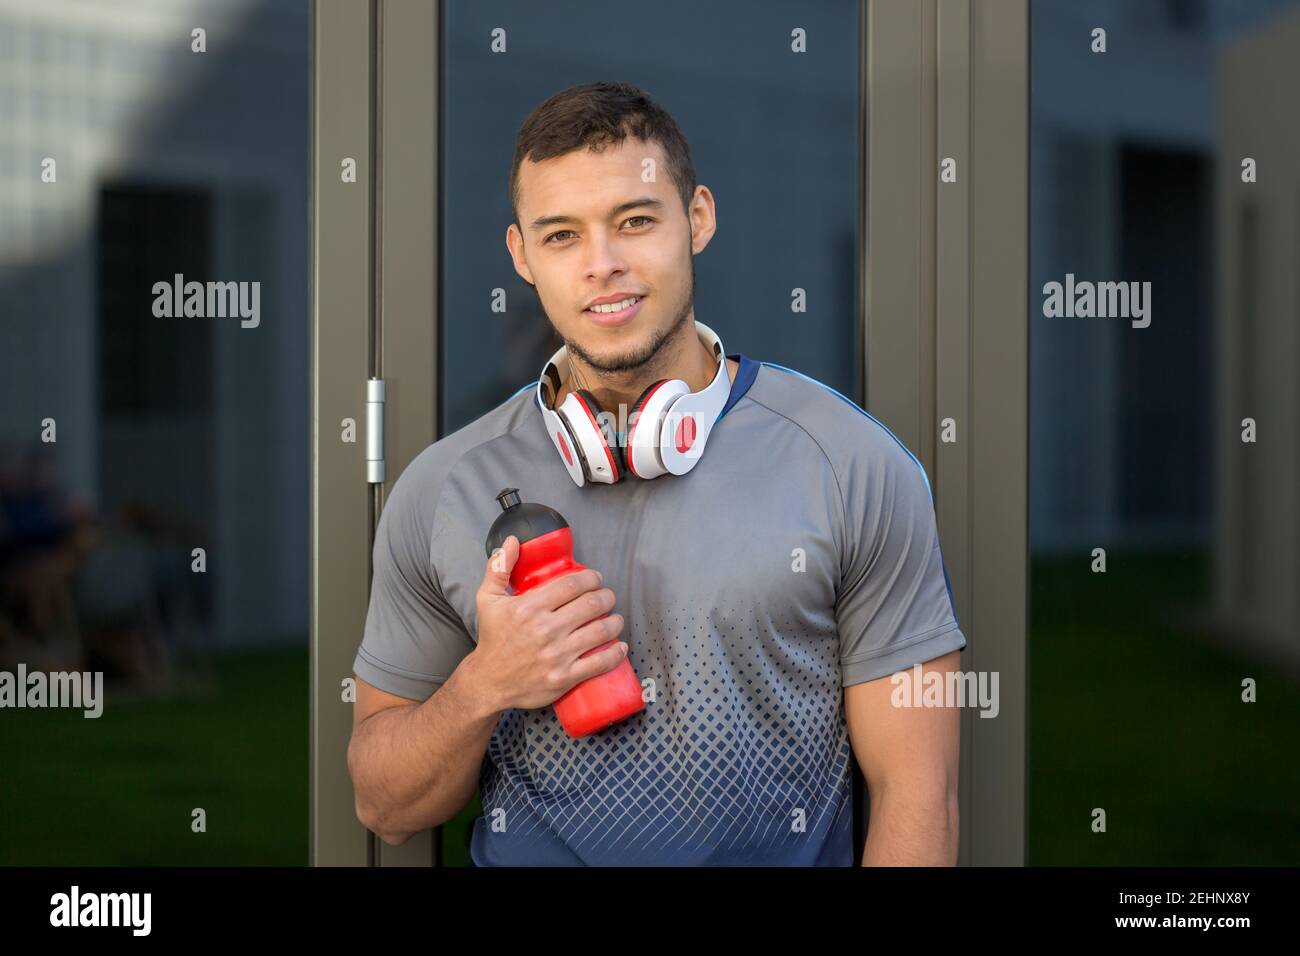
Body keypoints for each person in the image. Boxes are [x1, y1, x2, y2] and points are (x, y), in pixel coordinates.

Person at [347, 81, 967, 866]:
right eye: (562, 235)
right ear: (522, 256)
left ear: (697, 218)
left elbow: (920, 794)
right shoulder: (445, 488)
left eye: (634, 222)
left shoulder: (853, 465)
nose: (602, 266)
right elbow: (386, 807)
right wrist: (483, 685)